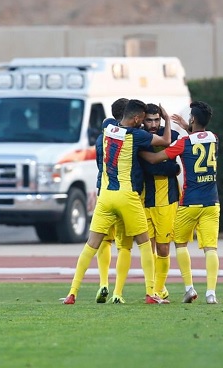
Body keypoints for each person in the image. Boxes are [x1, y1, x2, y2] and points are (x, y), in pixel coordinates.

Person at [62, 98, 172, 304]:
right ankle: (151, 293)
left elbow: (109, 124)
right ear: (138, 118)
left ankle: (72, 293)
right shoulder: (137, 135)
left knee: (91, 245)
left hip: (106, 196)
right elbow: (165, 141)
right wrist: (167, 120)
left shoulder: (107, 129)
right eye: (142, 119)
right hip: (127, 195)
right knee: (145, 243)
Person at [140, 101, 220, 304]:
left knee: (181, 244)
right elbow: (200, 136)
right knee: (210, 249)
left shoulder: (183, 144)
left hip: (189, 202)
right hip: (212, 202)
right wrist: (187, 127)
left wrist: (140, 153)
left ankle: (189, 288)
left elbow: (156, 159)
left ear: (192, 119)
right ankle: (211, 293)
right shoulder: (214, 138)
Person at [139, 103, 181, 300]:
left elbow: (170, 166)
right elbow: (152, 168)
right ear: (142, 119)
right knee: (149, 248)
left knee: (164, 248)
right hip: (144, 201)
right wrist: (170, 169)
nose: (153, 124)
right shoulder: (139, 138)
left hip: (167, 201)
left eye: (157, 119)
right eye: (149, 120)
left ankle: (159, 288)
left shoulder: (172, 135)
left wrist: (170, 168)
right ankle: (155, 290)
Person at [93, 98, 129, 303]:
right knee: (125, 245)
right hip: (124, 194)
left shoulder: (102, 137)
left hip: (103, 191)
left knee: (103, 241)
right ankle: (118, 292)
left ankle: (103, 283)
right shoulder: (130, 136)